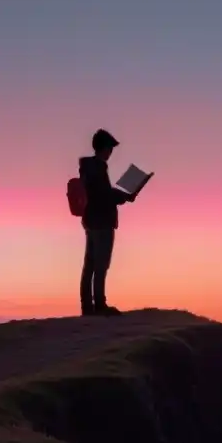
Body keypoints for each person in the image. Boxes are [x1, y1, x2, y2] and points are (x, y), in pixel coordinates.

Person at [78, 128, 136, 316]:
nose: (111, 153)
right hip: (101, 221)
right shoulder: (98, 167)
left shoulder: (87, 167)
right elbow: (103, 195)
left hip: (91, 220)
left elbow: (99, 193)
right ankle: (99, 305)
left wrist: (120, 195)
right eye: (110, 148)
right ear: (104, 148)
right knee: (100, 264)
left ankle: (88, 306)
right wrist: (124, 196)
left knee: (90, 264)